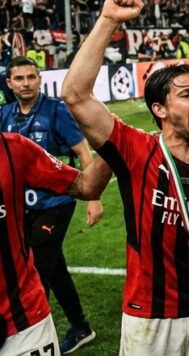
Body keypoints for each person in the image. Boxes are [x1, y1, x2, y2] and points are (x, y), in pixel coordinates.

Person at [62, 0, 189, 355]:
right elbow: (76, 94)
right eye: (187, 95)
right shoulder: (138, 148)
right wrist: (108, 20)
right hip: (152, 316)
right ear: (159, 108)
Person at [1, 56, 102, 353]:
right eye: (19, 79)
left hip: (55, 203)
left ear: (40, 79)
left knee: (36, 271)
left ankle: (30, 337)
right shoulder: (6, 114)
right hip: (23, 211)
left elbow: (83, 152)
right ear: (9, 84)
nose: (26, 84)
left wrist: (94, 198)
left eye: (31, 77)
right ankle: (81, 326)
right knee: (55, 268)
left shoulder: (55, 111)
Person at [0, 133, 109, 356]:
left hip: (25, 326)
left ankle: (79, 325)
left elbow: (86, 185)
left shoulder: (12, 148)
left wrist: (112, 142)